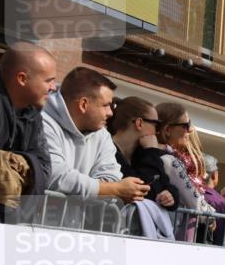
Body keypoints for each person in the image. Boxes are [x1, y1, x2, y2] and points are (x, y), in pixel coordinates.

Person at [0, 42, 57, 222]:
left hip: (1, 225)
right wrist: (3, 166)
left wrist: (10, 164)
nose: (54, 87)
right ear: (22, 78)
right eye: (48, 80)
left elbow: (44, 168)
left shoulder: (32, 112)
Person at [42, 67, 148, 203]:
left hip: (74, 222)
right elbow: (55, 176)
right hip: (29, 222)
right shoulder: (42, 123)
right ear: (83, 104)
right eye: (106, 105)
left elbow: (112, 175)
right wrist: (114, 189)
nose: (110, 112)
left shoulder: (101, 133)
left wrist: (95, 189)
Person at [107, 96, 177, 211]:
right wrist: (151, 152)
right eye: (156, 125)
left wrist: (171, 196)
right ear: (139, 123)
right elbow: (142, 189)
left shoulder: (143, 153)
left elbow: (166, 184)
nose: (157, 132)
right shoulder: (108, 151)